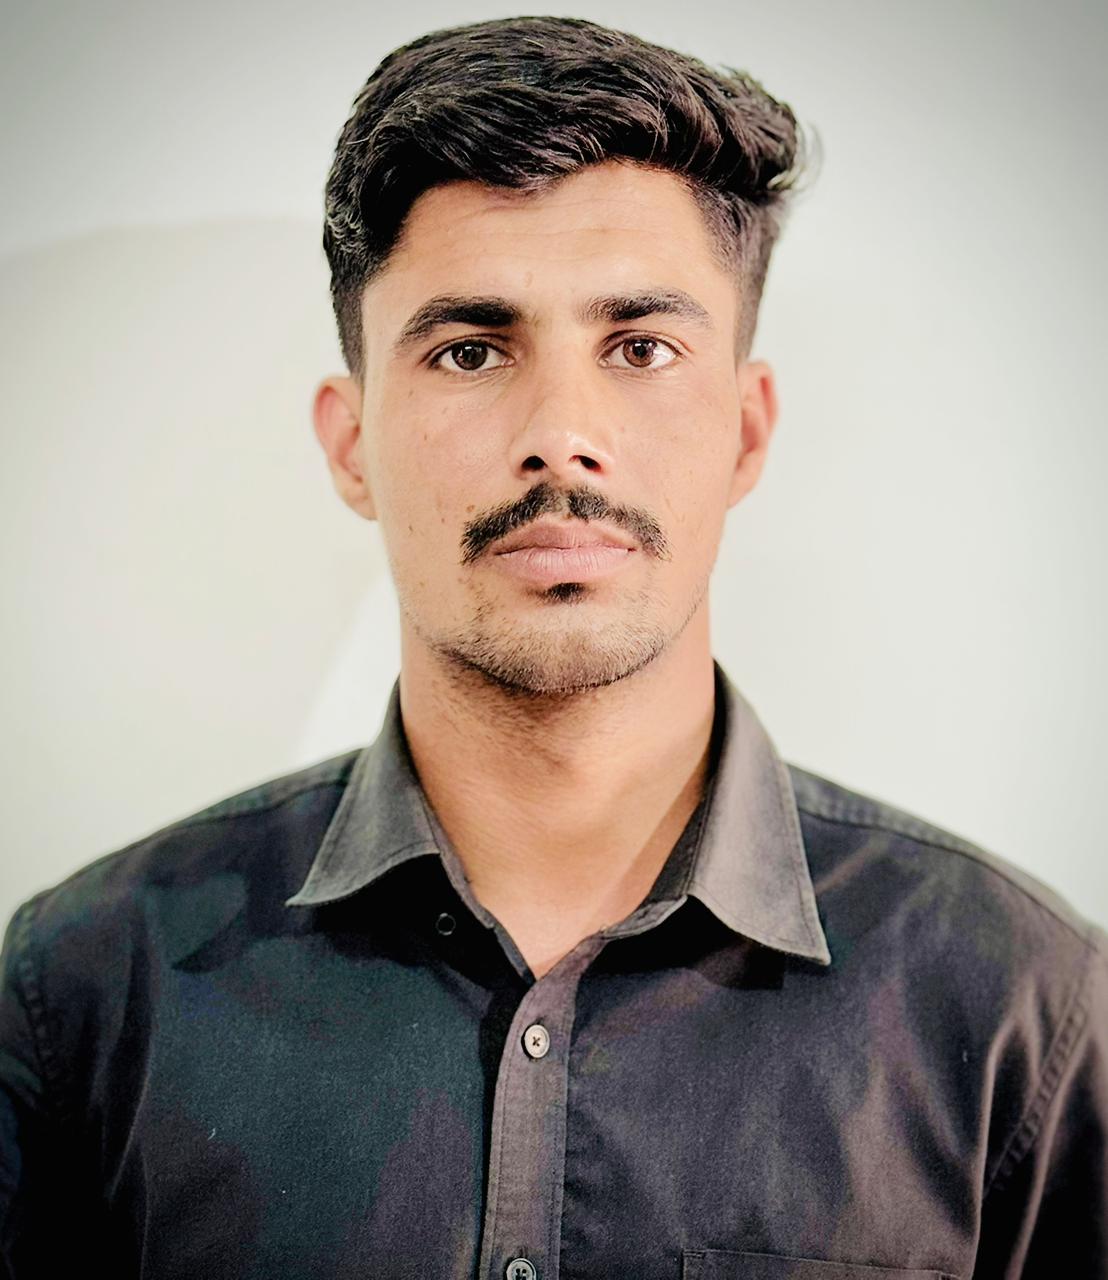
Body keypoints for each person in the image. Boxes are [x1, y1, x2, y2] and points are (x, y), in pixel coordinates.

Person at [1, 14, 1104, 1278]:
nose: (561, 434)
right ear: (351, 444)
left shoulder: (1024, 1004)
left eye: (640, 348)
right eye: (471, 350)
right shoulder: (85, 988)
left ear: (746, 432)